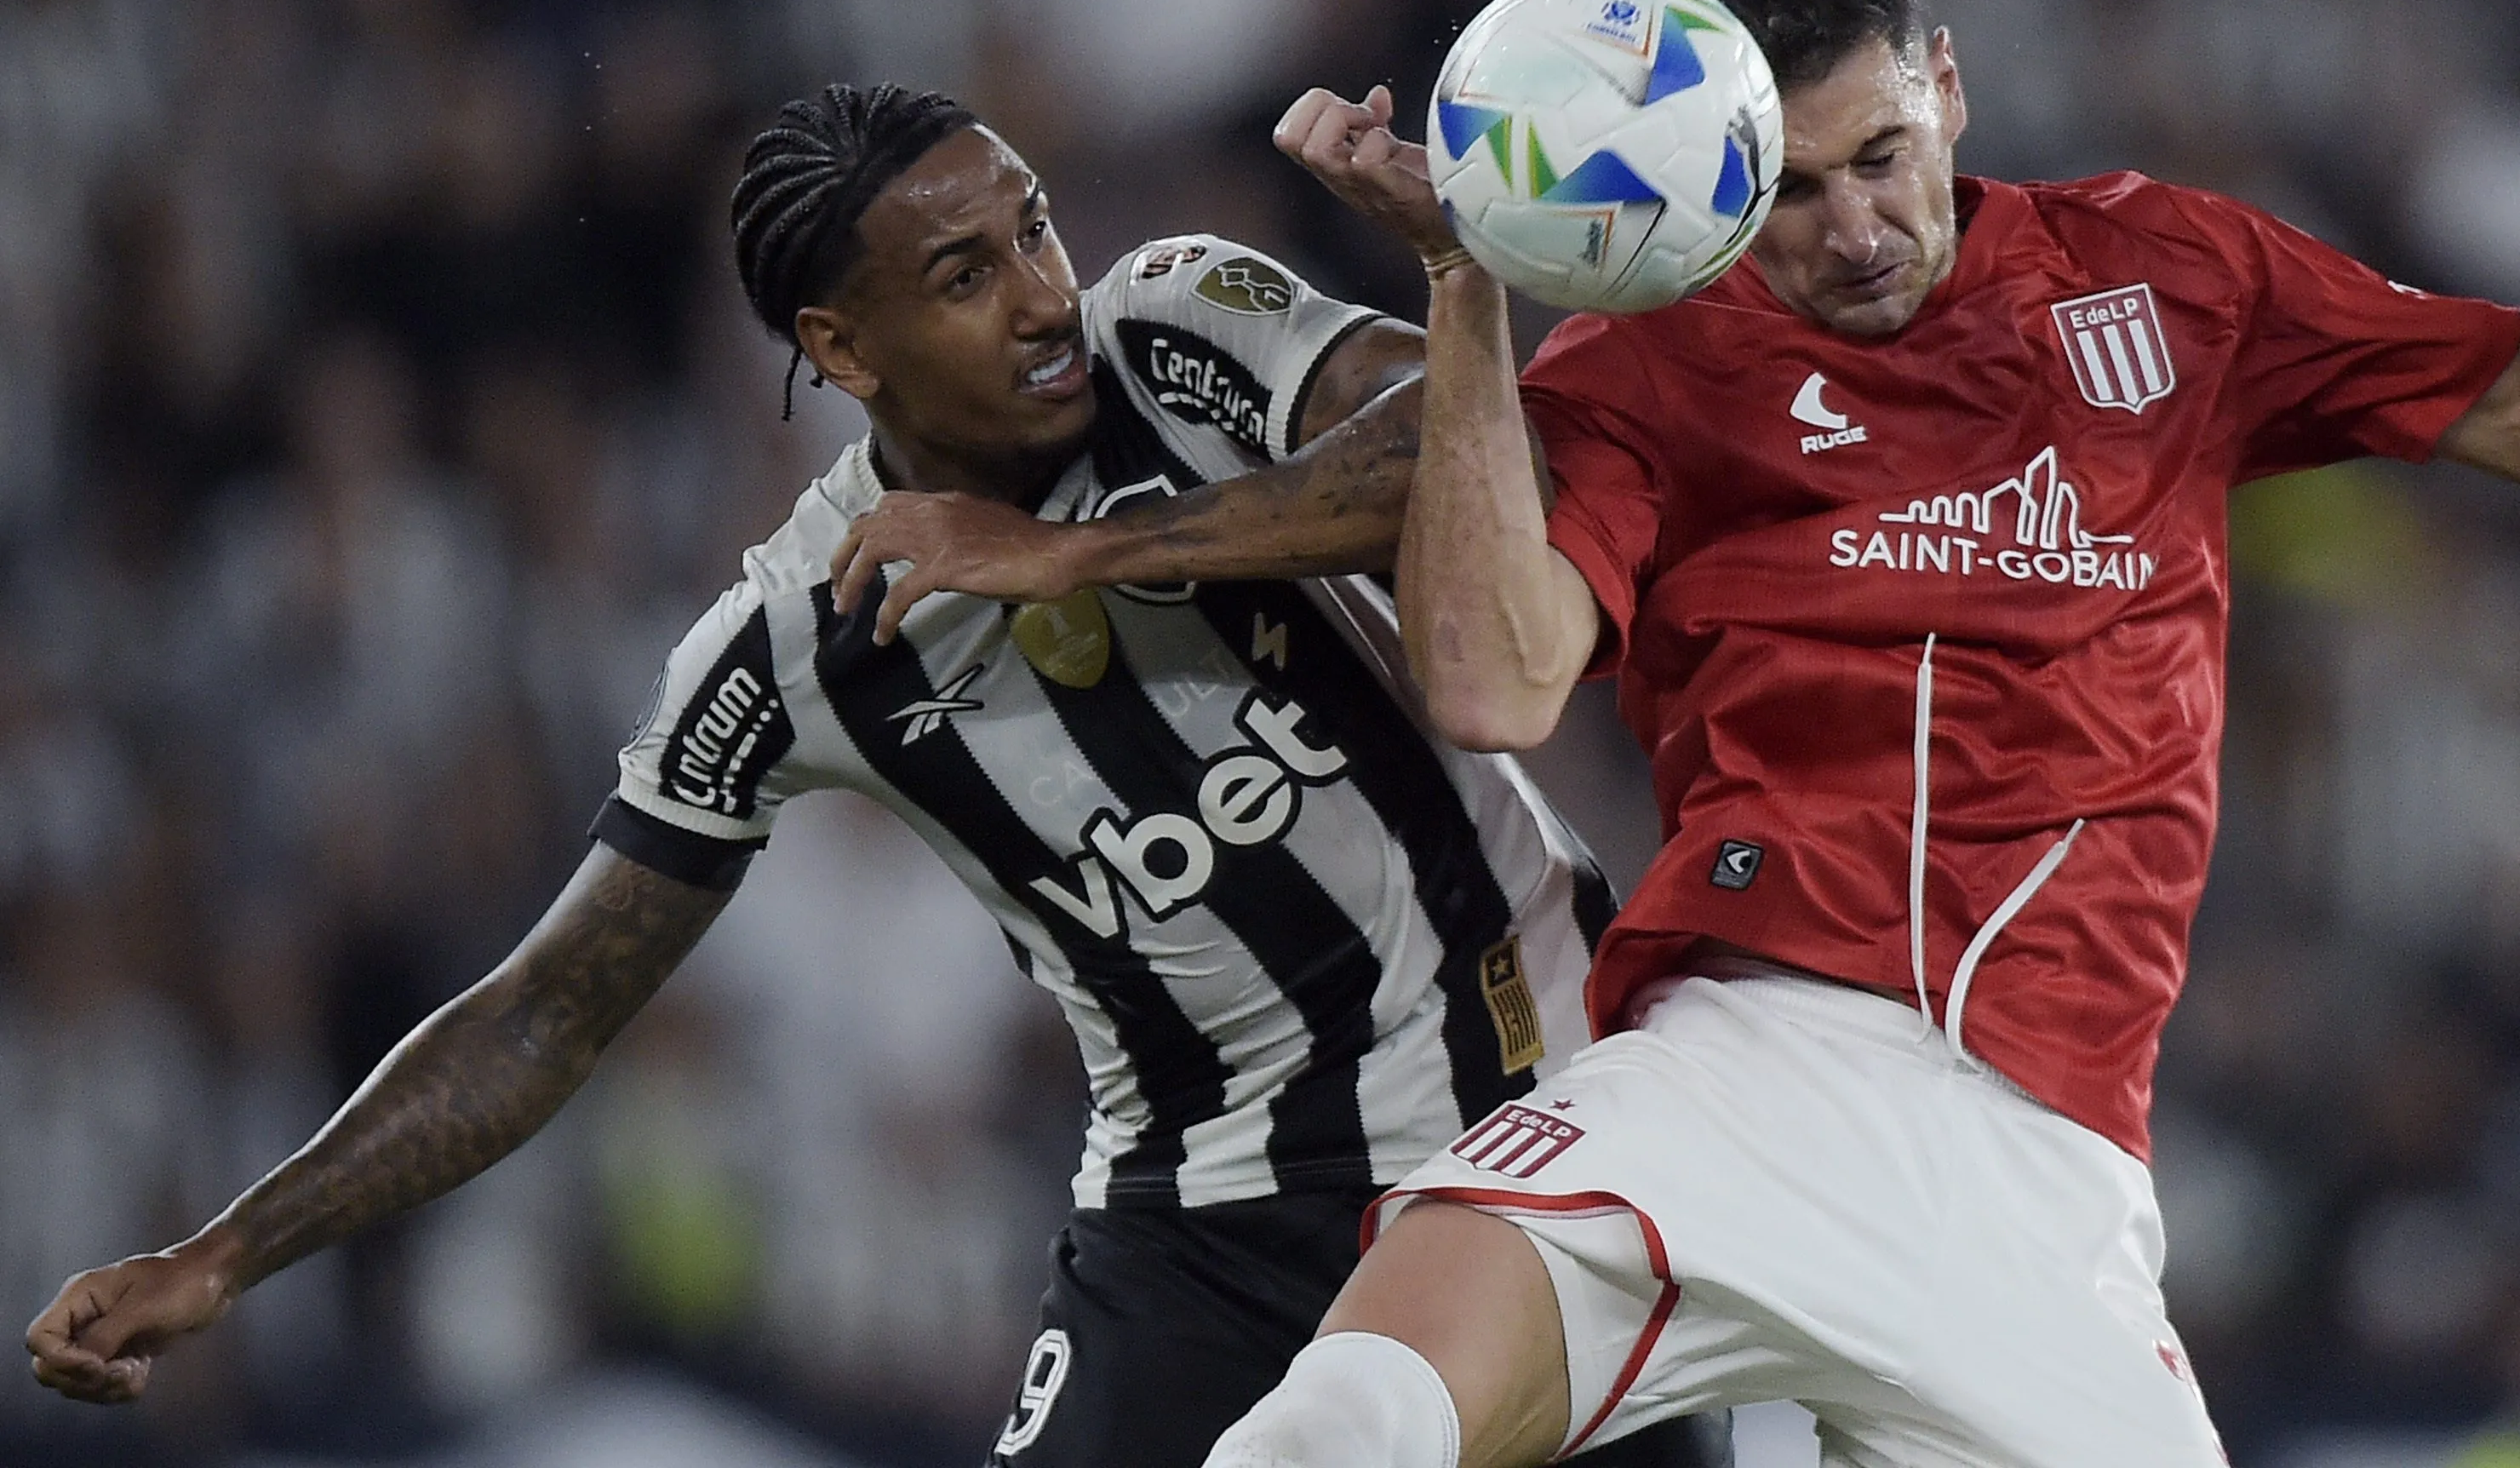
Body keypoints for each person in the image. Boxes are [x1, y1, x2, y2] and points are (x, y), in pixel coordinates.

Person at [1210, 0, 2520, 1468]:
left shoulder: (2161, 278)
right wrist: (1461, 283)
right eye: (1789, 191)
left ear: (1948, 86)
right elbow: (1497, 687)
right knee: (1343, 1421)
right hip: (1750, 1070)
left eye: (1882, 156)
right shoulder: (1649, 363)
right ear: (1714, 184)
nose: (1855, 229)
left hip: (2048, 1175)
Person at [26, 83, 1726, 1468]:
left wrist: (1082, 556)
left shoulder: (1181, 325)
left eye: (1034, 226)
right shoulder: (789, 645)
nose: (1046, 291)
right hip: (1201, 1225)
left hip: (1537, 1116)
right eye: (967, 275)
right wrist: (224, 1254)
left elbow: (1465, 440)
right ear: (842, 352)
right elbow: (546, 1012)